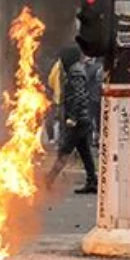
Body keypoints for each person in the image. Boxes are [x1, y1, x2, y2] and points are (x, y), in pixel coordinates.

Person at [44, 45, 97, 194]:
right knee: (85, 152)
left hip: (78, 120)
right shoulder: (75, 71)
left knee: (65, 150)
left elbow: (79, 96)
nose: (61, 62)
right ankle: (92, 181)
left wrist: (72, 117)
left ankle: (49, 179)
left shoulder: (76, 72)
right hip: (82, 119)